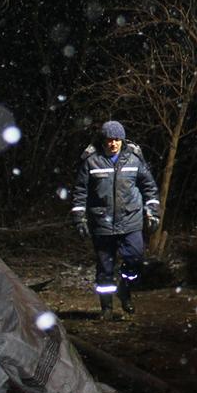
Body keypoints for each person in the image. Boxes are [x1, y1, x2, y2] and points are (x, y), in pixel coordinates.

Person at [70, 120, 160, 320]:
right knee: (105, 268)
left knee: (135, 258)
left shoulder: (134, 159)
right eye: (110, 140)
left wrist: (152, 212)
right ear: (104, 141)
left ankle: (125, 289)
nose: (113, 144)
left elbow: (149, 187)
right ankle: (107, 308)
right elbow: (80, 192)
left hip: (130, 220)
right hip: (102, 223)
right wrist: (79, 219)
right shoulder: (90, 160)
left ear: (122, 140)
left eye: (117, 140)